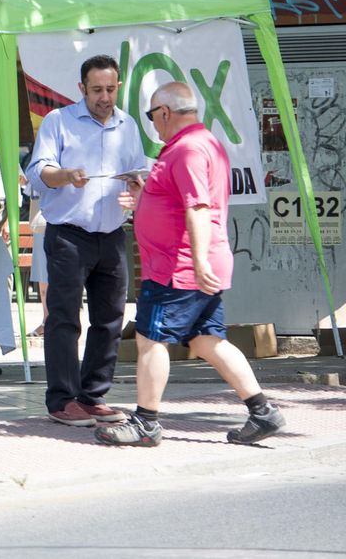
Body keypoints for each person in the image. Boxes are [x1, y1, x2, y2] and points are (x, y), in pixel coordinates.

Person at [97, 82, 286, 447]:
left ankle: (146, 423)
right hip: (188, 264)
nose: (152, 124)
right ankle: (262, 411)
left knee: (150, 339)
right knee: (206, 340)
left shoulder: (187, 150)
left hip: (177, 267)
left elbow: (198, 206)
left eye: (153, 116)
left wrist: (198, 261)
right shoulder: (202, 145)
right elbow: (179, 200)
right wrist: (145, 197)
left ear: (166, 112)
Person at [24, 53, 147, 427]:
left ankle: (93, 395)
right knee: (63, 319)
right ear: (81, 89)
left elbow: (139, 170)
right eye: (96, 90)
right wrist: (64, 175)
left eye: (110, 89)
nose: (104, 97)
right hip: (68, 235)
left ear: (119, 87)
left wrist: (135, 188)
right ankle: (62, 400)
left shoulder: (128, 126)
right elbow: (37, 172)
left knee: (110, 319)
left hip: (111, 234)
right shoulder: (58, 121)